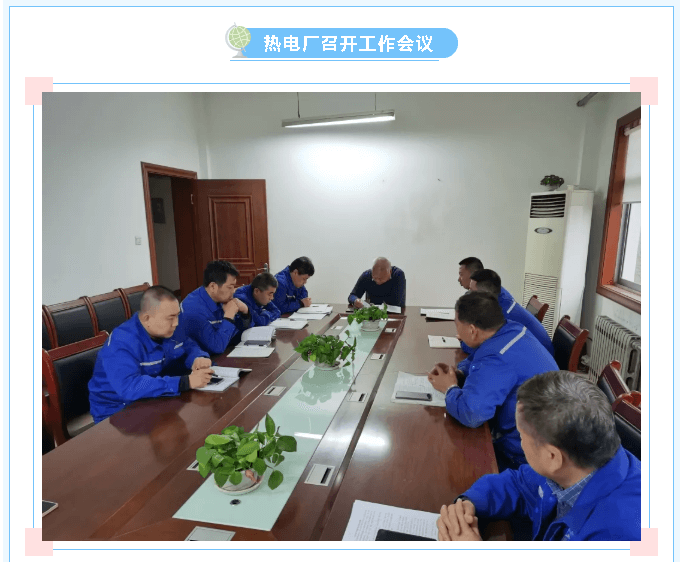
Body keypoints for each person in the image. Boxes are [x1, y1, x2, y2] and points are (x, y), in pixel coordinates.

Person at [436, 371, 641, 541]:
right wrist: (470, 502)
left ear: (552, 457)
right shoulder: (578, 461)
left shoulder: (625, 535)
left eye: (521, 436)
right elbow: (519, 483)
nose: (520, 443)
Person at [428, 292, 558, 469]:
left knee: (447, 458)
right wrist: (459, 373)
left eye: (457, 325)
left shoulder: (497, 357)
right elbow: (479, 358)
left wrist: (449, 388)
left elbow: (473, 414)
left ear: (472, 330)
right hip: (549, 435)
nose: (457, 333)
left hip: (525, 457)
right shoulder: (511, 330)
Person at [88, 285, 214, 423]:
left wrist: (197, 357)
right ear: (147, 318)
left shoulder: (168, 329)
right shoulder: (122, 342)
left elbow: (187, 344)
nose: (176, 323)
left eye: (177, 315)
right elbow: (129, 386)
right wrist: (184, 382)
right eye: (170, 318)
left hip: (151, 399)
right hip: (116, 411)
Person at [470, 269, 554, 356]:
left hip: (538, 358)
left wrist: (465, 338)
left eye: (472, 292)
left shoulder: (502, 313)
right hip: (536, 352)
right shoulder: (500, 295)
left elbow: (483, 347)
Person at [180, 260, 253, 354]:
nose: (233, 291)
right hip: (198, 360)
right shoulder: (193, 309)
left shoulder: (220, 299)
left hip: (218, 354)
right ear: (213, 287)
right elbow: (217, 347)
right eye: (230, 287)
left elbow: (240, 334)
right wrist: (229, 316)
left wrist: (245, 312)